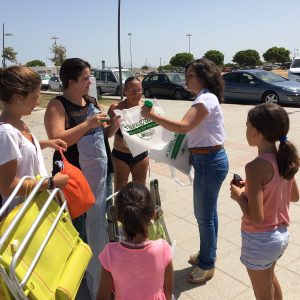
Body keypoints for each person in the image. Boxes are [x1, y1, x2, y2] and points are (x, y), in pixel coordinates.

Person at [141, 58, 229, 283]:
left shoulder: (205, 99)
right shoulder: (205, 97)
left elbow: (183, 126)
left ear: (203, 76)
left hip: (209, 161)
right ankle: (207, 253)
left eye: (190, 75)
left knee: (203, 215)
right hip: (207, 160)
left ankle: (207, 263)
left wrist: (152, 117)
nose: (186, 78)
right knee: (208, 214)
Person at [44, 58, 119, 299]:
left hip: (100, 174)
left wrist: (112, 128)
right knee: (78, 230)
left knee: (99, 227)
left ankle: (97, 274)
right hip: (74, 179)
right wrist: (88, 124)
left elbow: (99, 136)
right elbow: (58, 139)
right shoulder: (58, 105)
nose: (90, 82)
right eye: (85, 78)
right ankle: (77, 281)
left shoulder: (92, 102)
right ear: (71, 81)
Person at [230, 103, 299, 300]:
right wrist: (251, 189)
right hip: (280, 237)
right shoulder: (284, 158)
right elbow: (294, 196)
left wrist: (239, 197)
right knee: (269, 281)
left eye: (246, 125)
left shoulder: (255, 167)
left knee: (262, 293)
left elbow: (257, 219)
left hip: (260, 240)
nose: (245, 129)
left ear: (256, 132)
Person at [0, 66, 68, 214]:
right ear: (18, 96)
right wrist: (51, 183)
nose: (37, 102)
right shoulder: (6, 133)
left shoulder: (19, 123)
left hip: (33, 208)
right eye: (34, 97)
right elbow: (8, 187)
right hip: (20, 215)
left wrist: (46, 143)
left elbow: (21, 151)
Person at [96, 182, 173, 300]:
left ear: (119, 217)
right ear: (153, 213)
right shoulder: (164, 249)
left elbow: (102, 297)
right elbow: (168, 293)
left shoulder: (110, 253)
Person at [107, 77, 149, 192]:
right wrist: (116, 123)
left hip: (141, 156)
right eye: (132, 90)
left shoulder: (146, 109)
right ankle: (119, 211)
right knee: (119, 190)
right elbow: (107, 134)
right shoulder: (115, 108)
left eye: (139, 90)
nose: (136, 93)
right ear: (125, 91)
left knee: (140, 191)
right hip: (120, 155)